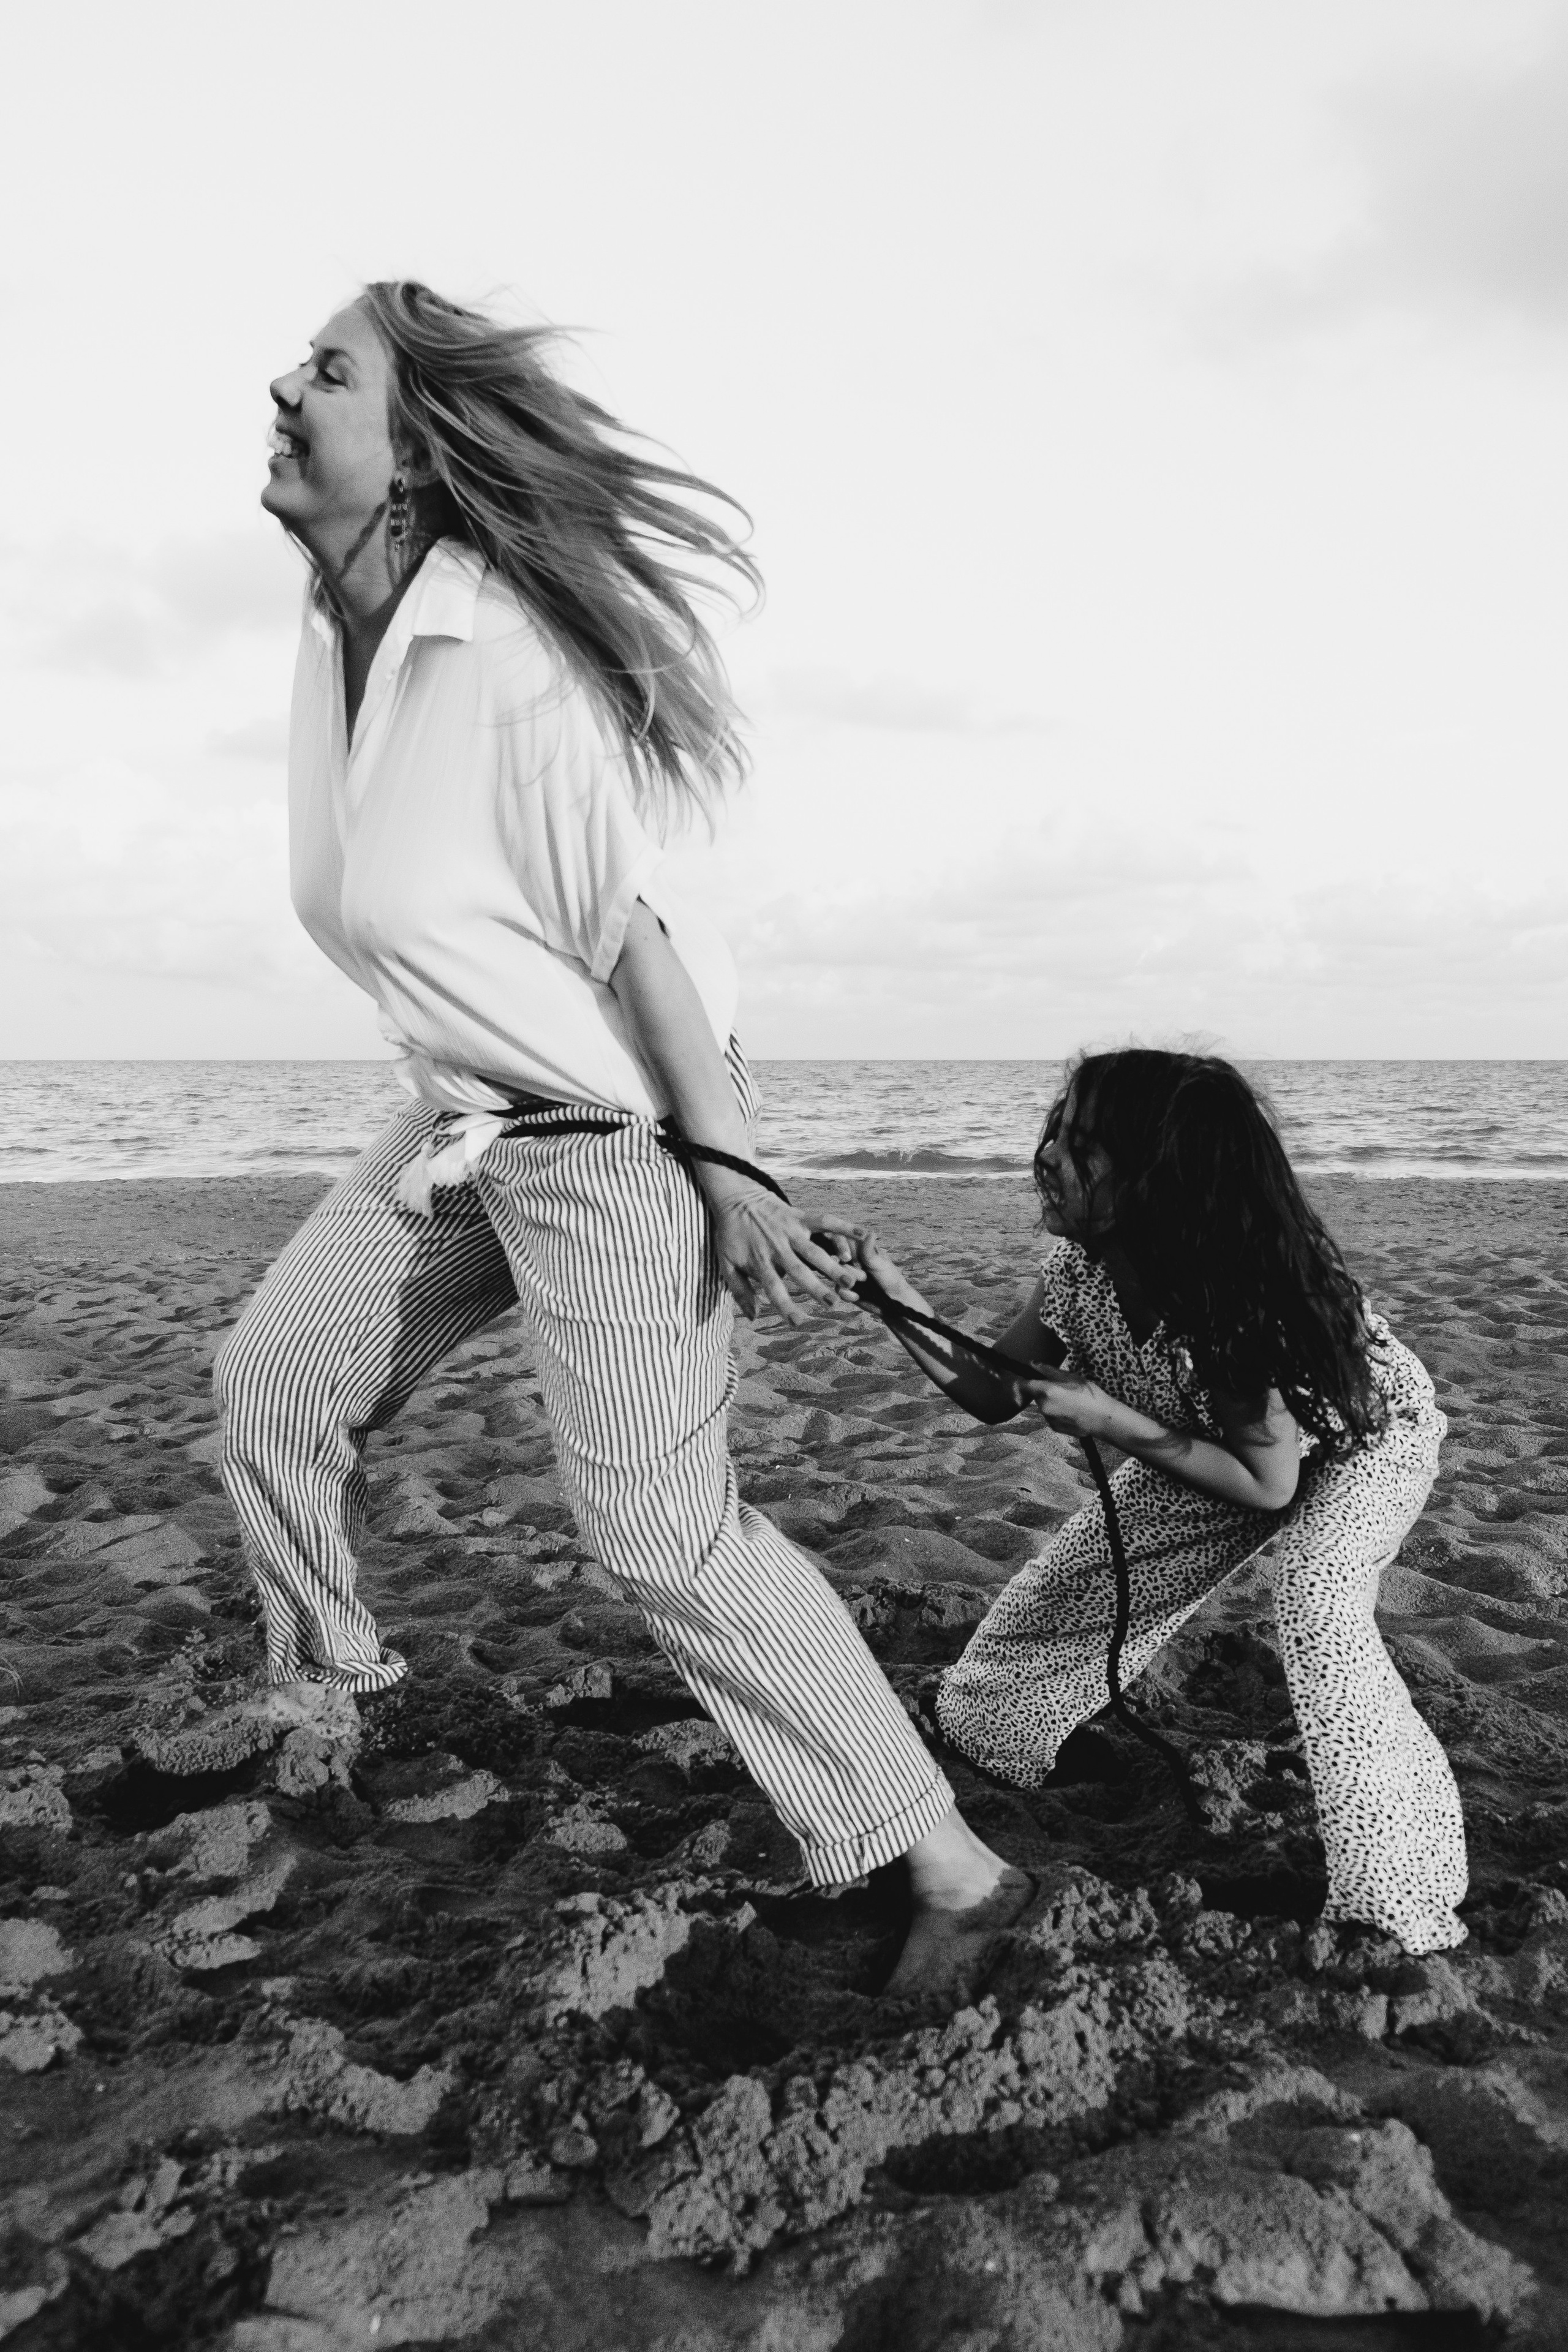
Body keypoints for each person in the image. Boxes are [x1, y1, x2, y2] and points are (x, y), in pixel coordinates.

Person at [214, 279, 1030, 1999]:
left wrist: (729, 1171)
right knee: (273, 1377)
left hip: (615, 1142)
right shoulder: (328, 644)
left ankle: (949, 1861)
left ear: (417, 448)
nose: (285, 386)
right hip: (457, 1116)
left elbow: (630, 940)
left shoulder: (503, 660)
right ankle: (329, 1689)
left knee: (663, 1533)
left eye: (328, 371)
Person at [840, 1049, 1468, 1956]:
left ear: (1157, 1181)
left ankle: (1399, 1900)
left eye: (1083, 1146)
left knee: (1320, 1607)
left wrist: (1107, 1415)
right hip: (1213, 1445)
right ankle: (993, 1731)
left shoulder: (1233, 1291)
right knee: (1073, 1589)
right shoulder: (1077, 1274)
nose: (1049, 1153)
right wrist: (894, 1301)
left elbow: (1271, 1486)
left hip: (1361, 1443)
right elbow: (993, 1391)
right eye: (1055, 1129)